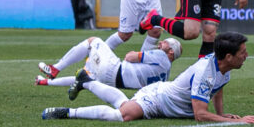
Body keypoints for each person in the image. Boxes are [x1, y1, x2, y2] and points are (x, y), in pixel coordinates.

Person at [41, 32, 254, 126]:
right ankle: (67, 113)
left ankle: (87, 82)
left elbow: (218, 88)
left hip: (159, 93)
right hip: (158, 98)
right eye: (243, 52)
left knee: (124, 105)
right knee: (124, 116)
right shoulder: (206, 69)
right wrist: (235, 121)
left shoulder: (224, 67)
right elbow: (200, 115)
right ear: (229, 56)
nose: (247, 55)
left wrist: (221, 113)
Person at [35, 36, 181, 106]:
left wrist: (134, 53)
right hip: (112, 84)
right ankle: (46, 81)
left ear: (171, 52)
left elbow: (130, 57)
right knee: (83, 78)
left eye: (165, 43)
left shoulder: (162, 57)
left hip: (113, 69)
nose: (161, 43)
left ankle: (56, 68)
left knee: (93, 41)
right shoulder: (165, 76)